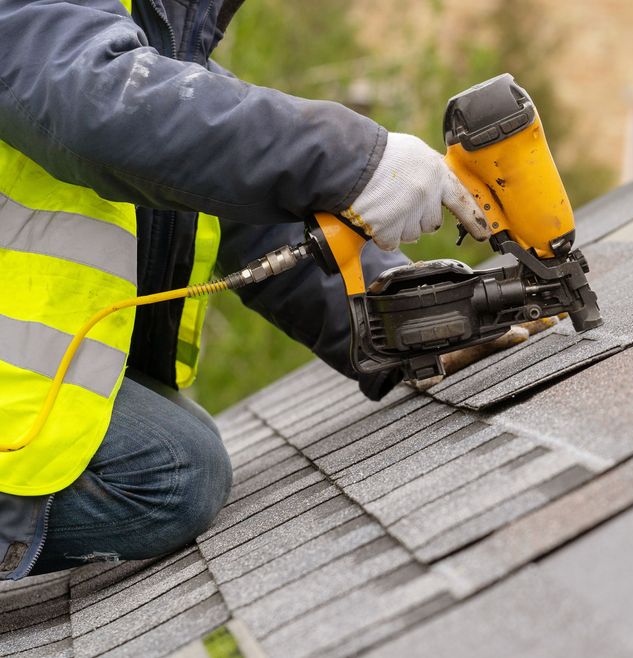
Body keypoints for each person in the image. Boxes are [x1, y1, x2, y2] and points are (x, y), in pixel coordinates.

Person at [0, 0, 494, 580]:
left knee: (182, 440)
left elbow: (250, 209)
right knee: (171, 470)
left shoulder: (157, 33)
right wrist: (352, 159)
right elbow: (99, 101)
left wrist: (403, 315)